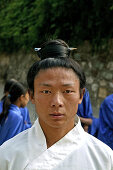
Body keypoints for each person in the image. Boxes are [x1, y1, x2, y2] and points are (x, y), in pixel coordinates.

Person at [0, 39, 113, 170]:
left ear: (81, 95)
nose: (57, 102)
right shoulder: (7, 155)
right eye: (46, 91)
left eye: (67, 91)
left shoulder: (105, 159)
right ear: (32, 96)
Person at [0, 81, 31, 145]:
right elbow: (10, 142)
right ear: (22, 97)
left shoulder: (8, 110)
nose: (28, 100)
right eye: (27, 97)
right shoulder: (16, 116)